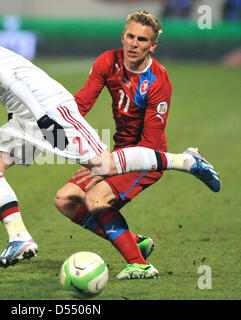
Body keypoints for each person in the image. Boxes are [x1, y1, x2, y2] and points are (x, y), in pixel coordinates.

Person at [0, 16, 220, 269]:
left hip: (47, 112)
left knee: (101, 164)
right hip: (24, 117)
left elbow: (12, 80)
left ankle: (186, 160)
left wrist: (43, 118)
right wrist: (23, 118)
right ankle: (20, 239)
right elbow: (10, 83)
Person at [54, 11, 220, 279]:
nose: (133, 44)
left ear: (152, 45)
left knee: (96, 198)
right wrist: (49, 122)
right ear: (123, 36)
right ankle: (135, 242)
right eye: (130, 36)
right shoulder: (108, 62)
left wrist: (110, 167)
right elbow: (81, 105)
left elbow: (151, 144)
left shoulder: (158, 81)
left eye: (142, 40)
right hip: (117, 154)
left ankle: (140, 265)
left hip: (147, 159)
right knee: (65, 200)